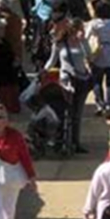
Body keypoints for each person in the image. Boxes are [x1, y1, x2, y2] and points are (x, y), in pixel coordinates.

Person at [45, 17, 94, 153]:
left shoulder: (82, 43)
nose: (80, 32)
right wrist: (43, 72)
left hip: (82, 79)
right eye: (78, 29)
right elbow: (52, 61)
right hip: (66, 81)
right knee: (62, 112)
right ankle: (59, 140)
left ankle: (75, 142)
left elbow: (89, 57)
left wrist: (83, 40)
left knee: (77, 113)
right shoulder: (59, 44)